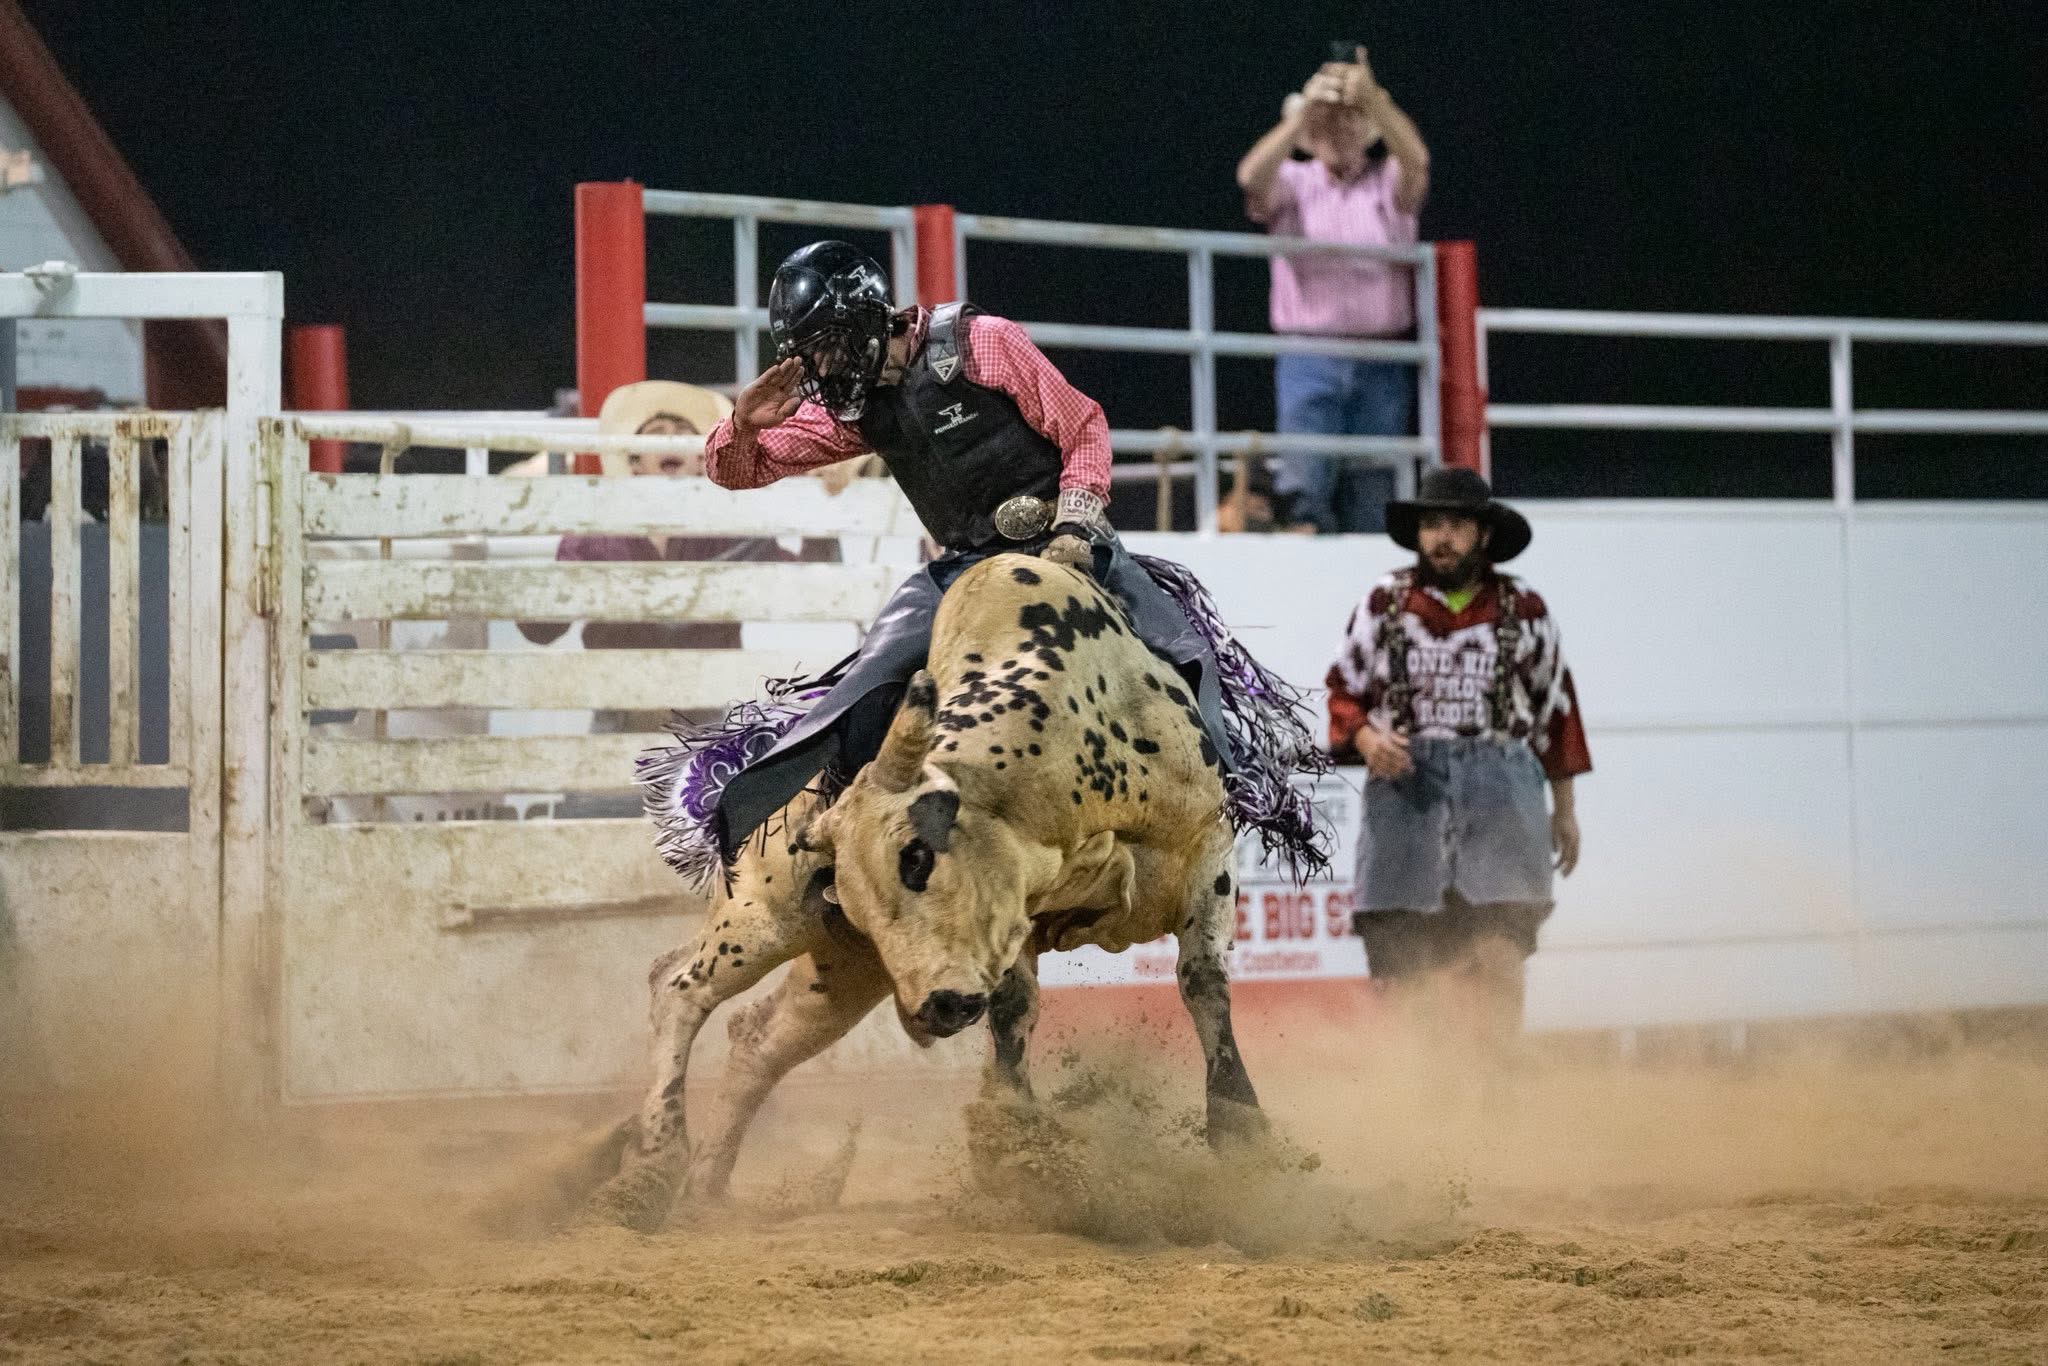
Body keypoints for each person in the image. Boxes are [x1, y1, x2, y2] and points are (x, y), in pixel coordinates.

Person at [643, 241, 1325, 885]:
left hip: (1067, 538)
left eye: (825, 346)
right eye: (807, 353)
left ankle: (1223, 795)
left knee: (1182, 650)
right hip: (964, 567)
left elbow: (1082, 427)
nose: (819, 368)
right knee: (870, 676)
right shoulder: (855, 408)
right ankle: (844, 827)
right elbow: (739, 470)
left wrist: (1076, 525)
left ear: (865, 323)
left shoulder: (982, 343)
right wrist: (743, 424)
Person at [1324, 468, 1589, 1050]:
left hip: (1502, 795)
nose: (1441, 538)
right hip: (1407, 794)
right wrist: (1365, 739)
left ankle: (1494, 1076)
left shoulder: (1525, 608)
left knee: (1500, 944)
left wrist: (1565, 810)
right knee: (1403, 956)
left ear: (1483, 534)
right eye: (1431, 525)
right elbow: (1343, 691)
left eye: (1456, 525)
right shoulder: (1383, 602)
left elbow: (1556, 709)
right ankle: (1416, 1083)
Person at [1237, 44, 1431, 535]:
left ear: (1369, 131)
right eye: (1328, 121)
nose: (1340, 130)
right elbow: (1251, 177)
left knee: (1375, 494)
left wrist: (1375, 100)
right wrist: (1303, 112)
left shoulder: (1388, 181)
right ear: (1310, 132)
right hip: (1310, 354)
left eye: (1351, 119)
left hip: (1383, 356)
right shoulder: (1294, 180)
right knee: (1304, 489)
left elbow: (1417, 163)